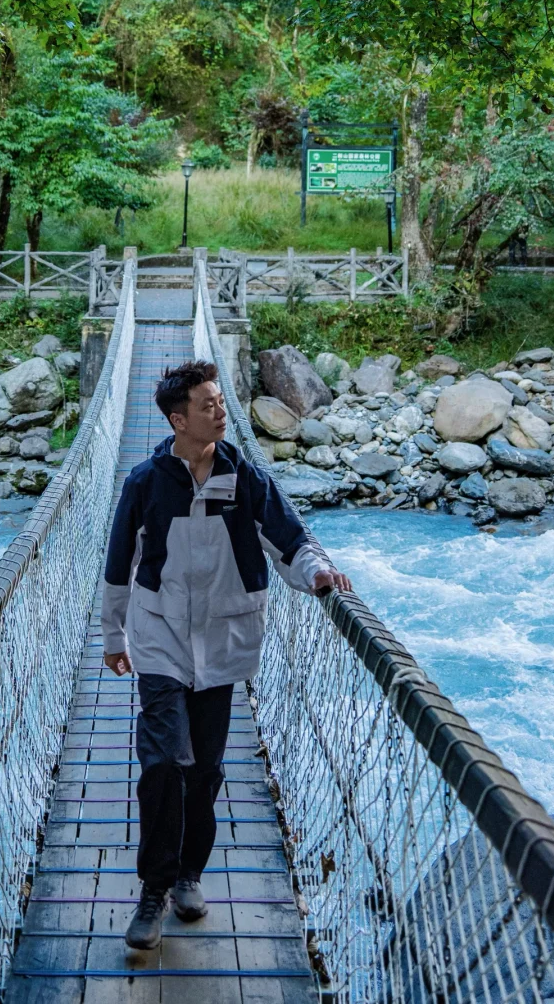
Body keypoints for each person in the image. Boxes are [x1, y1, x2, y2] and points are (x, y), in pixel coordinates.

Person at [101, 359, 351, 951]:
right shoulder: (145, 481)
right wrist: (114, 639)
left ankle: (190, 872)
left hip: (223, 643)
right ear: (176, 418)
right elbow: (117, 565)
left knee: (206, 770)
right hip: (159, 638)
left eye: (220, 400)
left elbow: (290, 539)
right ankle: (154, 890)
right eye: (209, 403)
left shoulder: (245, 476)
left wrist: (319, 574)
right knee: (166, 762)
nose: (221, 410)